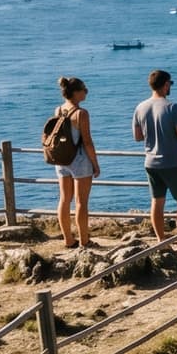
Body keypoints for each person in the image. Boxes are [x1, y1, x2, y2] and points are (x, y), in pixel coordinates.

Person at [132, 68, 177, 256]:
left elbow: (137, 136)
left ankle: (161, 242)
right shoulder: (173, 107)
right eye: (170, 84)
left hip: (151, 163)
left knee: (157, 202)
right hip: (173, 162)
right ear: (166, 84)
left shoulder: (140, 107)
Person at [52, 76, 100, 250]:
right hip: (79, 160)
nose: (86, 92)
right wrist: (95, 163)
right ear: (76, 92)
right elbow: (87, 141)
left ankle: (68, 239)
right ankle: (84, 241)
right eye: (84, 89)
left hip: (62, 159)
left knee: (64, 199)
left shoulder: (58, 110)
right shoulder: (81, 113)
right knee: (81, 202)